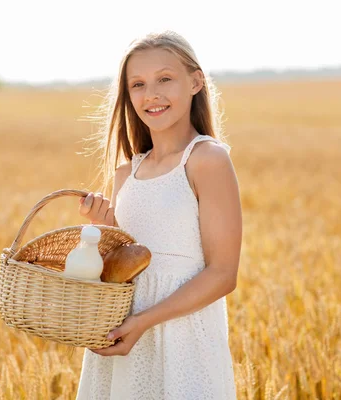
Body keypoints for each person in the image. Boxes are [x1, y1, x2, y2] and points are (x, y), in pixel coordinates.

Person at [75, 30, 242, 400]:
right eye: (138, 84)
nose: (151, 94)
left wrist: (143, 323)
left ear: (196, 81)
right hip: (122, 337)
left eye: (165, 78)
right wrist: (104, 232)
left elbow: (223, 274)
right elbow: (124, 266)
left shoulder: (207, 160)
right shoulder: (125, 174)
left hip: (183, 338)